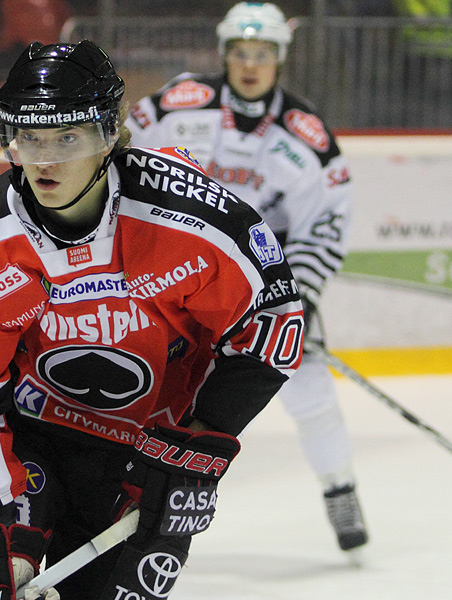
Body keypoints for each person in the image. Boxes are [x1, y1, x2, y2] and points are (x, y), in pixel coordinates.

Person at [0, 39, 304, 600]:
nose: (45, 160)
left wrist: (199, 439)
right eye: (30, 137)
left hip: (147, 454)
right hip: (25, 436)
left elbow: (270, 323)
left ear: (109, 134)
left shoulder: (191, 218)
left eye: (68, 137)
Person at [125, 1, 366, 554]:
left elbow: (325, 226)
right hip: (181, 278)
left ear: (280, 58)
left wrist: (297, 299)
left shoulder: (308, 137)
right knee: (152, 385)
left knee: (309, 389)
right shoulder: (178, 105)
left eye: (262, 53)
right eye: (240, 52)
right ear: (224, 54)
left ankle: (340, 487)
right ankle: (127, 497)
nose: (250, 65)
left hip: (265, 286)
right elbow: (119, 157)